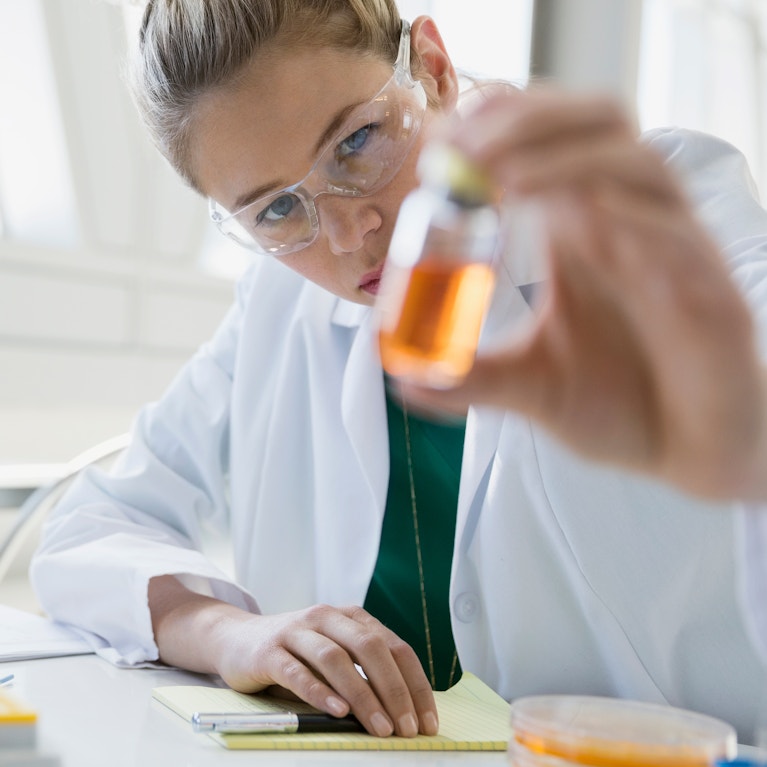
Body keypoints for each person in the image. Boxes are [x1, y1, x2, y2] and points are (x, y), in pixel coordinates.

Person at [29, 0, 767, 745]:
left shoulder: (663, 202)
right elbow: (88, 530)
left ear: (435, 73)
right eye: (279, 209)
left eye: (356, 142)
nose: (351, 234)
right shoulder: (279, 304)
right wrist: (226, 634)